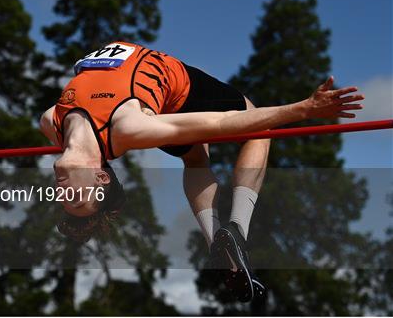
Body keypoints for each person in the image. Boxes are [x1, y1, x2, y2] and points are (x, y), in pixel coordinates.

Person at [39, 41, 364, 302]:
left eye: (65, 198)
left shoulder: (51, 122)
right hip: (172, 88)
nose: (66, 192)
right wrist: (303, 108)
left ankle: (216, 244)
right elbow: (221, 122)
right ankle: (235, 229)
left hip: (152, 104)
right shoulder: (129, 128)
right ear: (101, 177)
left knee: (195, 158)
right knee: (257, 126)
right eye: (79, 199)